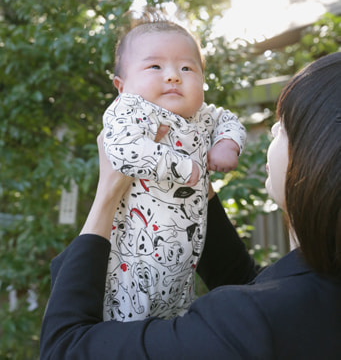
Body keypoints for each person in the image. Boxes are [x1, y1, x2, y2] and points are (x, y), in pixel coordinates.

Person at [40, 52, 341, 359]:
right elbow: (247, 280)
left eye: (285, 125)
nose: (274, 131)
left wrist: (107, 192)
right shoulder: (316, 289)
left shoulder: (249, 322)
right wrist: (192, 179)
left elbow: (64, 348)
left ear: (322, 156)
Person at [102, 9, 246, 321]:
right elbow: (123, 149)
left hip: (182, 275)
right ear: (121, 85)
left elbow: (229, 120)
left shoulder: (202, 116)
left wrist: (226, 143)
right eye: (155, 66)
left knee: (174, 323)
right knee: (128, 335)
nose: (173, 75)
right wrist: (181, 168)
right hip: (131, 274)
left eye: (186, 68)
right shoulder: (131, 110)